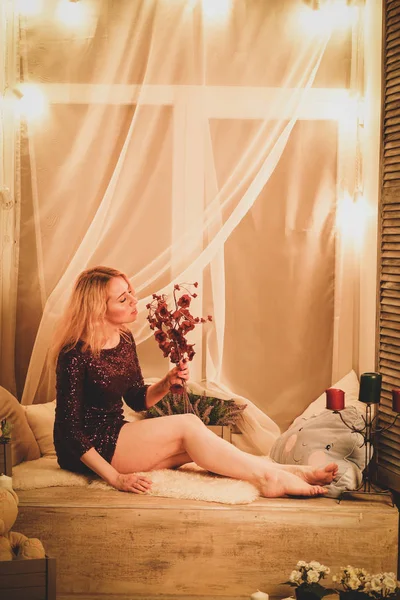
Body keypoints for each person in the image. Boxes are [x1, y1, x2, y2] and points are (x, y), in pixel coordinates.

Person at [53, 266, 338, 497]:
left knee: (200, 448)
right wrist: (116, 479)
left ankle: (285, 472)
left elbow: (135, 398)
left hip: (117, 433)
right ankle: (269, 478)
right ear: (97, 309)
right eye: (122, 299)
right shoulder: (74, 354)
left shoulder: (124, 338)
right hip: (89, 449)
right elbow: (69, 431)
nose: (133, 301)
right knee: (188, 425)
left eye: (130, 292)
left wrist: (167, 382)